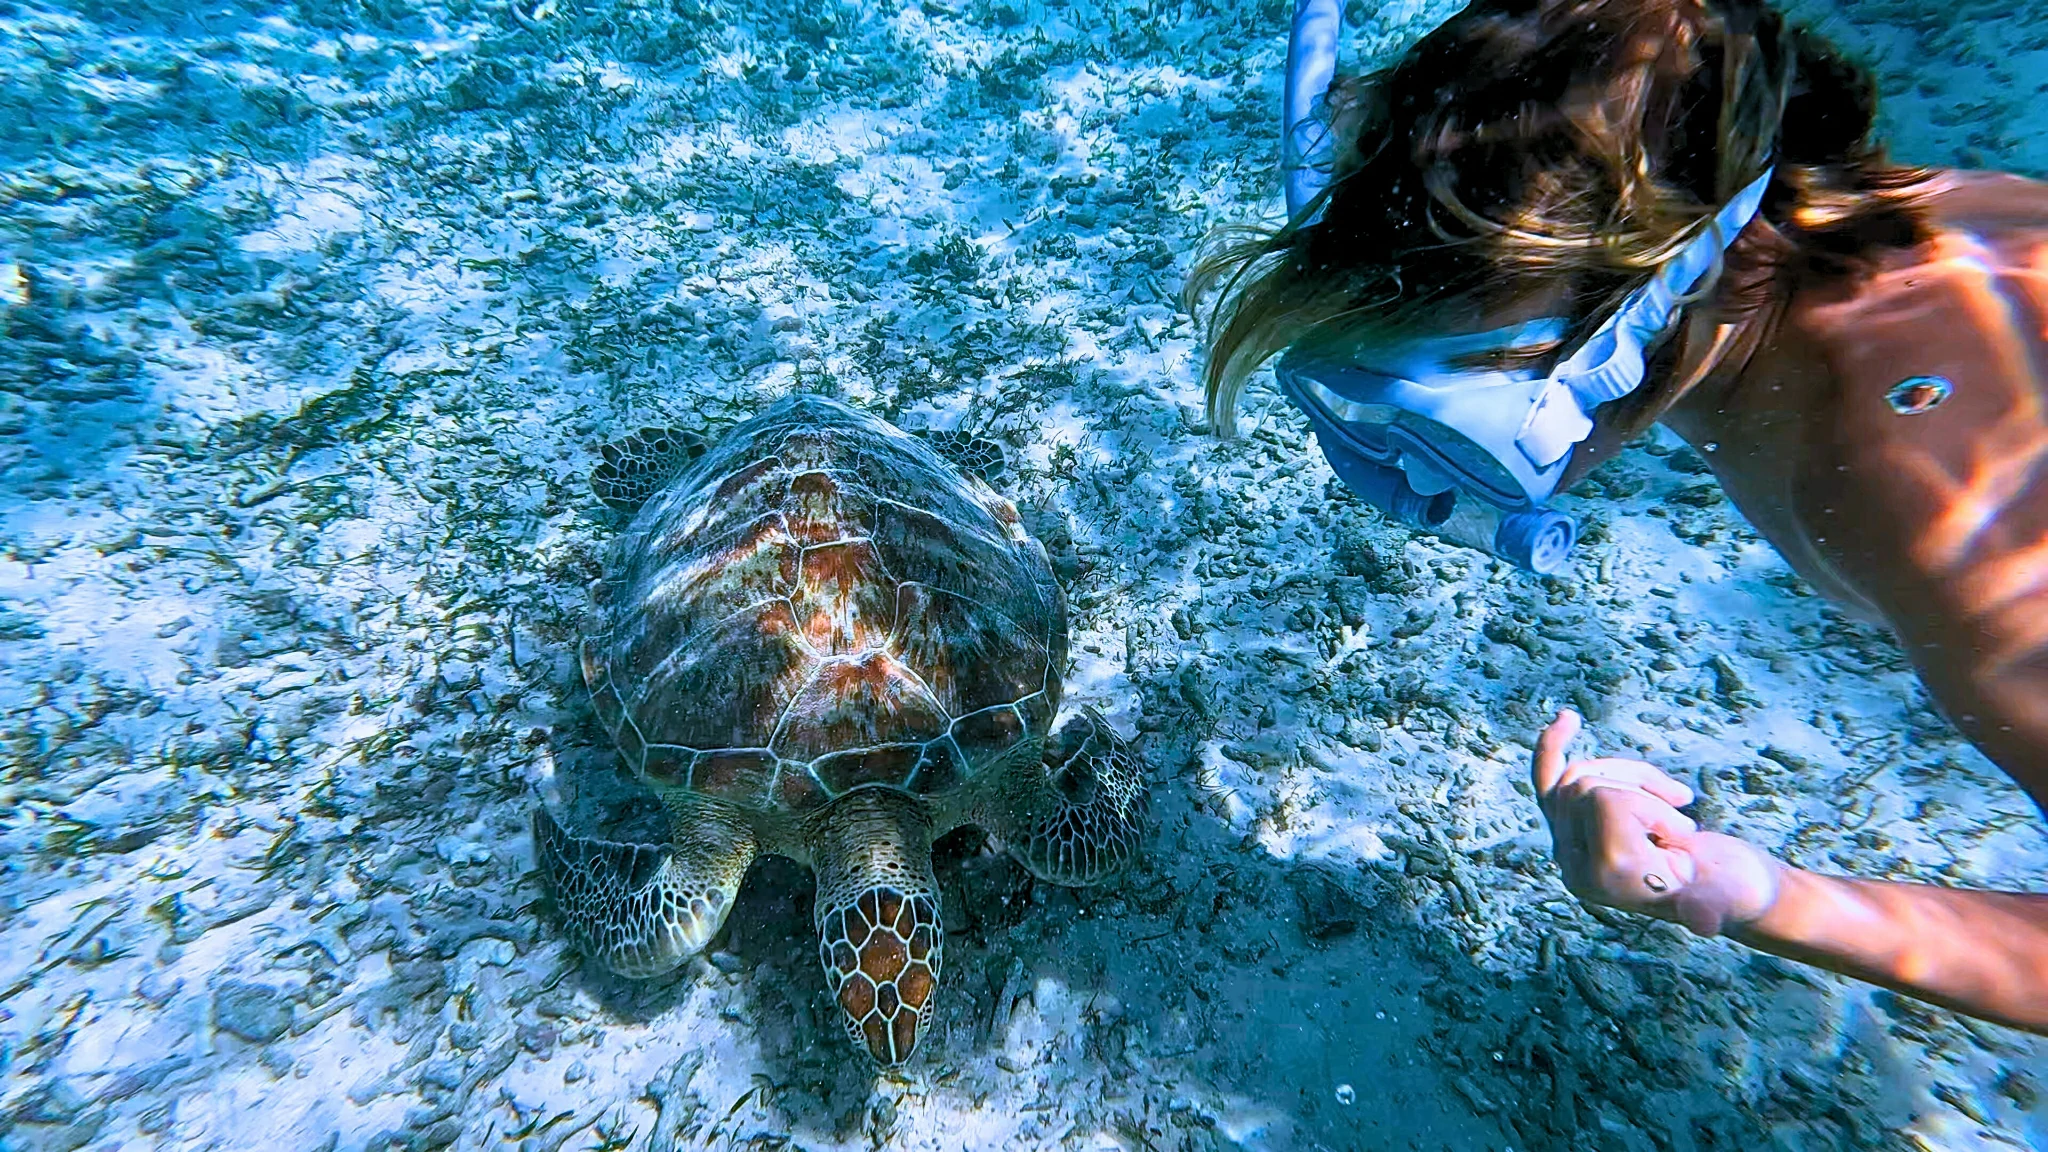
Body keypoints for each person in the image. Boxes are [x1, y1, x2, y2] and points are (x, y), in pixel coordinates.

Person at [1186, 0, 2048, 1033]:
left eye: (1463, 420)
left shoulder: (1933, 488)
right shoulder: (1763, 267)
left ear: (1705, 270)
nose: (1416, 481)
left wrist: (1741, 892)